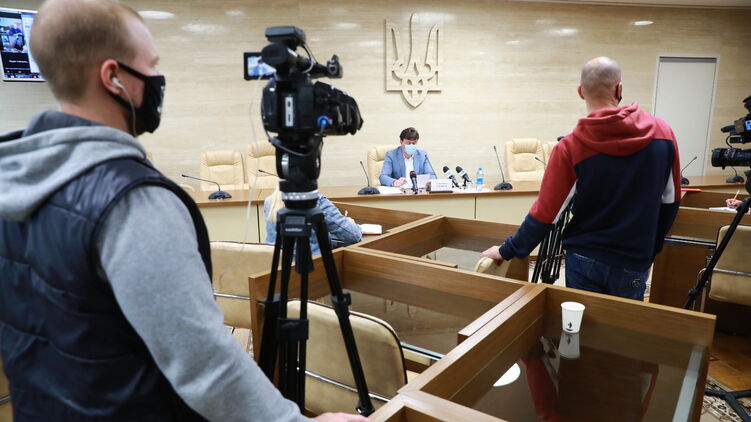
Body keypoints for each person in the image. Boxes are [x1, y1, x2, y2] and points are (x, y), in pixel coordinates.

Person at [0, 1, 367, 421]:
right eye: (151, 65)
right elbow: (205, 366)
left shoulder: (12, 179)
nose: (158, 79)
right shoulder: (134, 202)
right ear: (113, 76)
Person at [482, 56, 681, 301]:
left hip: (585, 257)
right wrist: (650, 251)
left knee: (580, 323)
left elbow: (546, 213)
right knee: (625, 324)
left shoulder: (571, 146)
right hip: (634, 259)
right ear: (619, 89)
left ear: (580, 92)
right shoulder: (663, 134)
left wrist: (507, 250)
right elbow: (671, 202)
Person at [264, 188, 362, 255]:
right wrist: (351, 223)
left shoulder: (270, 201)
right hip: (312, 269)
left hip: (277, 270)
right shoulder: (315, 200)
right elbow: (353, 235)